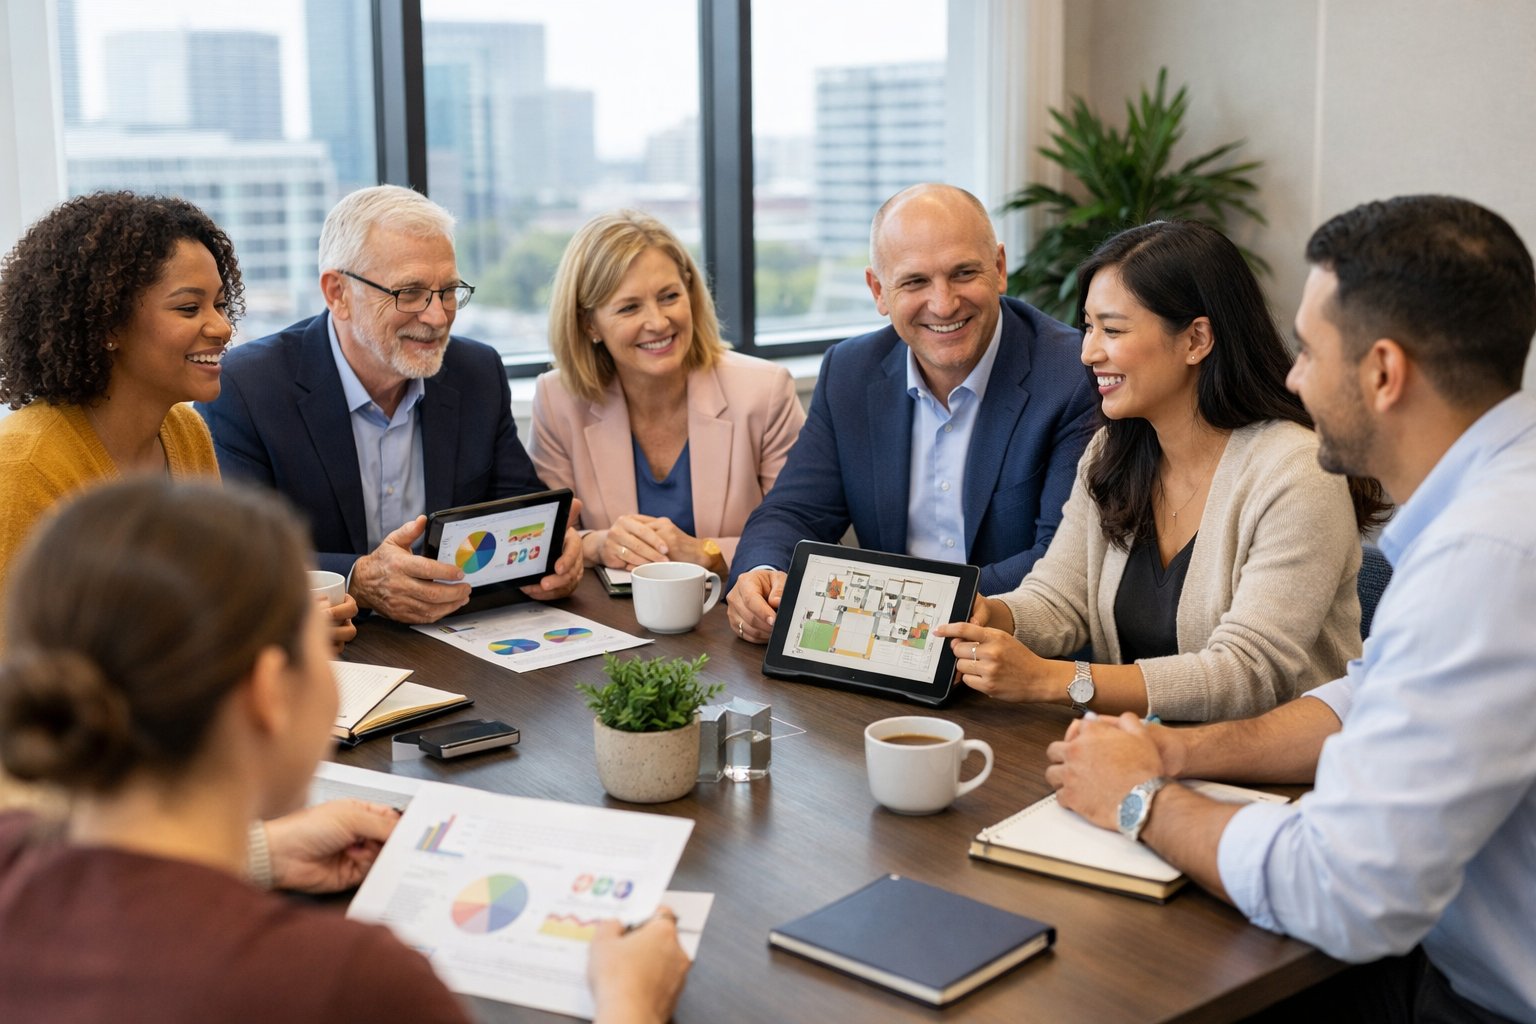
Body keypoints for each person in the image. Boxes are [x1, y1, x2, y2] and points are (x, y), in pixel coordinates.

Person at [1047, 195, 1536, 1023]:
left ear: (1384, 372)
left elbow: (1345, 887)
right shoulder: (1491, 506)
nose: (1293, 376)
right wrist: (1170, 754)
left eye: (1309, 352)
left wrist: (1143, 802)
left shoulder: (1483, 560)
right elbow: (1362, 697)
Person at [0, 478, 690, 1022]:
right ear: (270, 692)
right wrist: (630, 1004)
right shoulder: (344, 983)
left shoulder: (15, 851)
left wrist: (264, 852)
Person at [936, 221, 1387, 721]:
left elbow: (1247, 673)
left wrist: (1053, 679)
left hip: (1270, 776)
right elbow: (1061, 597)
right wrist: (992, 616)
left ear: (1196, 339)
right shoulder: (1114, 449)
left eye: (1112, 329)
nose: (1088, 352)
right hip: (1138, 752)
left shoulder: (1297, 472)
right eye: (1088, 327)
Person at [726, 183, 1099, 642]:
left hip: (1018, 655)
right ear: (878, 290)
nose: (943, 303)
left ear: (999, 269)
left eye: (963, 273)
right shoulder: (850, 371)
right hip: (882, 652)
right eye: (915, 281)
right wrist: (761, 574)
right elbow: (795, 513)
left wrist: (903, 608)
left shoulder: (1072, 374)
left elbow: (1060, 558)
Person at [198, 185, 582, 624]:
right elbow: (238, 556)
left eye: (449, 290)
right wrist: (357, 577)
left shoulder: (477, 372)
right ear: (337, 293)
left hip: (461, 635)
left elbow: (520, 509)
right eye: (410, 293)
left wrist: (554, 551)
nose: (438, 317)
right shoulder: (249, 386)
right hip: (330, 648)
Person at [0, 191, 357, 647]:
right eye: (189, 308)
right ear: (108, 325)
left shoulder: (185, 434)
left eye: (221, 305)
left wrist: (284, 630)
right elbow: (22, 678)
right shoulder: (23, 469)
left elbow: (207, 613)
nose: (223, 327)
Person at [530, 210, 806, 576]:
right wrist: (599, 544)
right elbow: (543, 539)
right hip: (614, 622)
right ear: (589, 323)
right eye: (629, 307)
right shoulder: (558, 399)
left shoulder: (764, 392)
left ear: (690, 293)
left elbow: (802, 535)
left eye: (669, 296)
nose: (658, 322)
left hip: (730, 615)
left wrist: (704, 552)